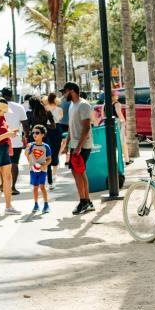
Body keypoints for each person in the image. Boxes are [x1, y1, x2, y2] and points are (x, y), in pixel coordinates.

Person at [62, 82, 95, 215]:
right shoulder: (72, 105)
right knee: (79, 172)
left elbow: (87, 127)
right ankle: (87, 201)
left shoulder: (83, 105)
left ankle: (83, 201)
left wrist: (79, 146)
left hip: (83, 145)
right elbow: (71, 126)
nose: (63, 95)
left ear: (72, 91)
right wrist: (67, 144)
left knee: (78, 172)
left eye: (64, 92)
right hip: (75, 145)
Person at [0, 88, 28, 195]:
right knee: (14, 163)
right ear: (11, 95)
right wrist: (26, 137)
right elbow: (25, 125)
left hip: (2, 139)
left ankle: (3, 185)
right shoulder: (19, 107)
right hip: (16, 140)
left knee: (3, 164)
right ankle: (13, 187)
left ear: (2, 95)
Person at [26, 126, 52, 214]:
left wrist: (44, 165)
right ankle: (36, 204)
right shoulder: (31, 145)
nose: (34, 134)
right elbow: (27, 156)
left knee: (42, 187)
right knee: (35, 188)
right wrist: (27, 149)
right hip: (33, 170)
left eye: (37, 133)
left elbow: (49, 159)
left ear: (42, 135)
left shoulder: (46, 146)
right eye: (33, 133)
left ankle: (46, 204)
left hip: (43, 170)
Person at [44, 93, 65, 189]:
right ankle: (54, 174)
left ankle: (49, 177)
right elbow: (60, 118)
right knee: (56, 151)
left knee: (48, 152)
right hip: (57, 129)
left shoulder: (45, 108)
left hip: (48, 130)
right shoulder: (59, 109)